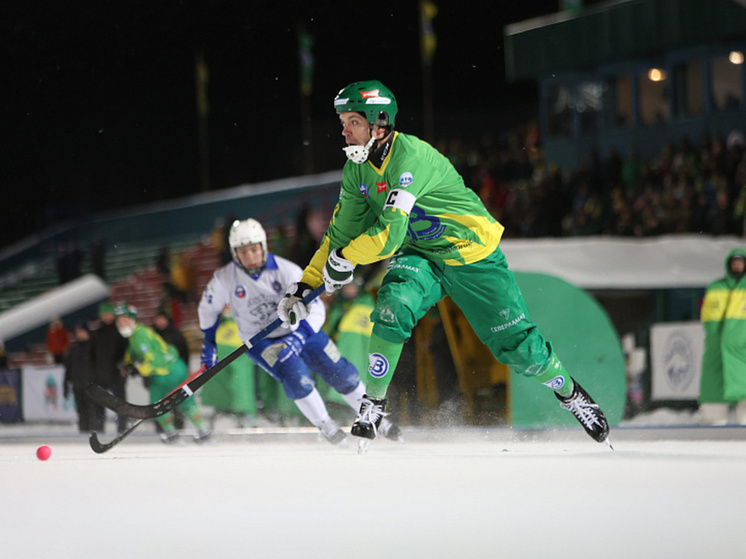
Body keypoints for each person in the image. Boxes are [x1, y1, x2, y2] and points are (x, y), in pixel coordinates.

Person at [277, 80, 610, 445]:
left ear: (379, 122)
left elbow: (387, 234)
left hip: (471, 253)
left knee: (521, 351)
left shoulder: (411, 159)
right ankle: (372, 405)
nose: (344, 131)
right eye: (343, 122)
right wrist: (305, 286)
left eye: (352, 122)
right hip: (422, 253)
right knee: (392, 306)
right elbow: (337, 236)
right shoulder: (356, 171)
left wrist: (346, 260)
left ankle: (570, 394)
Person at [198, 218, 401, 445]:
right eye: (243, 251)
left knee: (343, 373)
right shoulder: (224, 279)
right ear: (235, 253)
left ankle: (375, 419)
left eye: (254, 249)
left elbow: (316, 309)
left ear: (263, 247)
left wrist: (299, 336)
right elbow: (208, 310)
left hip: (302, 331)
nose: (250, 256)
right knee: (297, 378)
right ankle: (327, 427)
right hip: (263, 342)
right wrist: (209, 344)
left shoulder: (287, 271)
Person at [113, 303, 211, 444]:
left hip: (164, 373)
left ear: (132, 319)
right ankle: (203, 431)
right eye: (119, 321)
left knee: (158, 406)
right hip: (177, 367)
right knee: (186, 403)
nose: (122, 324)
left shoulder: (139, 335)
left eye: (125, 320)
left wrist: (139, 369)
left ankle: (172, 434)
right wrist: (129, 363)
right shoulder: (141, 333)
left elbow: (152, 359)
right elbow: (135, 354)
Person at [699, 249, 746, 425]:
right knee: (713, 404)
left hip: (743, 352)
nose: (737, 266)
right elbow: (708, 320)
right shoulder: (716, 287)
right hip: (717, 351)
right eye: (734, 263)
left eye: (740, 263)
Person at [89, 302, 129, 433]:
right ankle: (99, 428)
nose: (107, 317)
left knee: (120, 403)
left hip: (116, 374)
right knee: (99, 404)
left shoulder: (120, 333)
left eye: (109, 314)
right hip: (100, 375)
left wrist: (122, 366)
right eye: (104, 314)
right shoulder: (97, 334)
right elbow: (92, 355)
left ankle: (122, 428)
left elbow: (126, 353)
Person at [63, 323, 96, 432]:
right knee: (81, 410)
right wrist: (66, 384)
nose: (80, 335)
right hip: (77, 384)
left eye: (82, 332)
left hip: (90, 384)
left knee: (91, 409)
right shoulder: (74, 349)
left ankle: (93, 431)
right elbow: (69, 368)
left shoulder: (93, 347)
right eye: (78, 333)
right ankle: (83, 431)